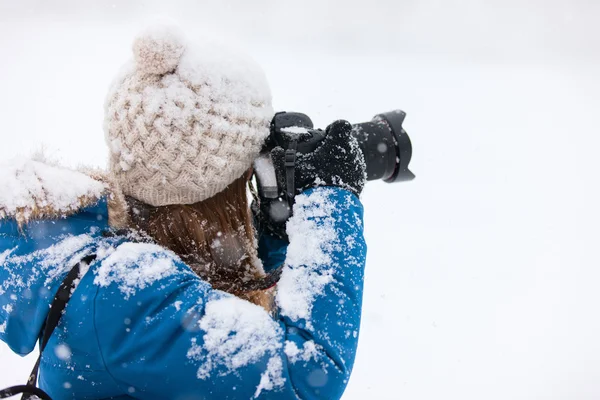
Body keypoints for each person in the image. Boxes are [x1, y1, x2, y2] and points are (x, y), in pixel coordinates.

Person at [0, 24, 367, 400]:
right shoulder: (124, 291)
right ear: (222, 187)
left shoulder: (104, 251)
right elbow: (303, 376)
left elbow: (226, 315)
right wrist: (328, 199)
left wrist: (272, 232)